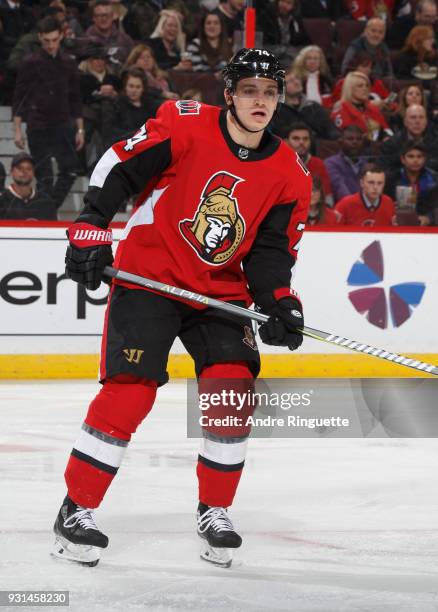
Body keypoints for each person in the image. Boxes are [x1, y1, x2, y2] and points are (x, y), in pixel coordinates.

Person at [51, 48, 312, 569]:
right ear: (230, 95)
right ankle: (76, 510)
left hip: (220, 292)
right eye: (249, 91)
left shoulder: (290, 173)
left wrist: (280, 300)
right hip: (149, 277)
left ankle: (214, 510)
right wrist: (92, 224)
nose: (260, 102)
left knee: (232, 390)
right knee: (130, 392)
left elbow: (269, 253)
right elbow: (120, 165)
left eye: (269, 93)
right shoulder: (185, 124)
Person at [12, 17, 84, 209]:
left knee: (70, 170)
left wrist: (80, 129)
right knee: (44, 176)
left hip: (63, 123)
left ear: (61, 36)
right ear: (40, 37)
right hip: (39, 124)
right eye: (46, 41)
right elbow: (20, 96)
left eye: (54, 40)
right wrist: (17, 129)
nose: (51, 45)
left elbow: (75, 98)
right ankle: (47, 211)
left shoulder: (68, 63)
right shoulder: (30, 63)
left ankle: (47, 209)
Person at [100, 67, 162, 147]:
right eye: (131, 86)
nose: (134, 90)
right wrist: (137, 136)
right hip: (123, 147)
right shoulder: (114, 104)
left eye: (138, 87)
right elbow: (109, 131)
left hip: (148, 147)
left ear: (143, 89)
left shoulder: (150, 105)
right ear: (125, 87)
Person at [271, 67, 340, 139]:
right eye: (290, 81)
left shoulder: (313, 106)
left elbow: (331, 130)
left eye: (297, 78)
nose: (296, 82)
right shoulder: (277, 112)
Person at [385, 142, 437, 225]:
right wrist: (391, 209)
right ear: (403, 159)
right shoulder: (391, 179)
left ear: (424, 159)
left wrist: (429, 218)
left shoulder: (434, 179)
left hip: (428, 227)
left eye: (419, 156)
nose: (415, 160)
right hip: (397, 225)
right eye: (411, 156)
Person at [331, 71, 392, 141]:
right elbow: (348, 138)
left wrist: (387, 137)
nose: (365, 89)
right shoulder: (341, 109)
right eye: (360, 86)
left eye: (367, 85)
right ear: (350, 89)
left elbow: (386, 130)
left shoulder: (373, 108)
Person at [285, 122, 333, 205]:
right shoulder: (276, 164)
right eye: (296, 138)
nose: (301, 142)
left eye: (305, 139)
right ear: (286, 141)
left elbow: (327, 197)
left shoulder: (318, 164)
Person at [381, 103, 438, 171]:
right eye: (413, 117)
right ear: (405, 122)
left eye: (421, 117)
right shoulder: (391, 145)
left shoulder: (435, 142)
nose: (417, 121)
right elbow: (386, 171)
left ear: (426, 122)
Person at [0, 152, 57, 220]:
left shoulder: (46, 202)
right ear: (11, 172)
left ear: (33, 173)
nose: (24, 171)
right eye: (20, 168)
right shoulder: (2, 200)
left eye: (29, 168)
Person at [325, 125, 369, 203]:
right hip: (343, 209)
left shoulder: (367, 164)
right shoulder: (331, 163)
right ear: (341, 141)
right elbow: (340, 190)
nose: (355, 142)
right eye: (350, 139)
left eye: (359, 139)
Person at [84, 0, 134, 69]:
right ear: (93, 18)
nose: (103, 19)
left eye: (106, 15)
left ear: (113, 16)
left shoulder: (126, 39)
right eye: (99, 16)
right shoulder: (85, 41)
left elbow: (133, 65)